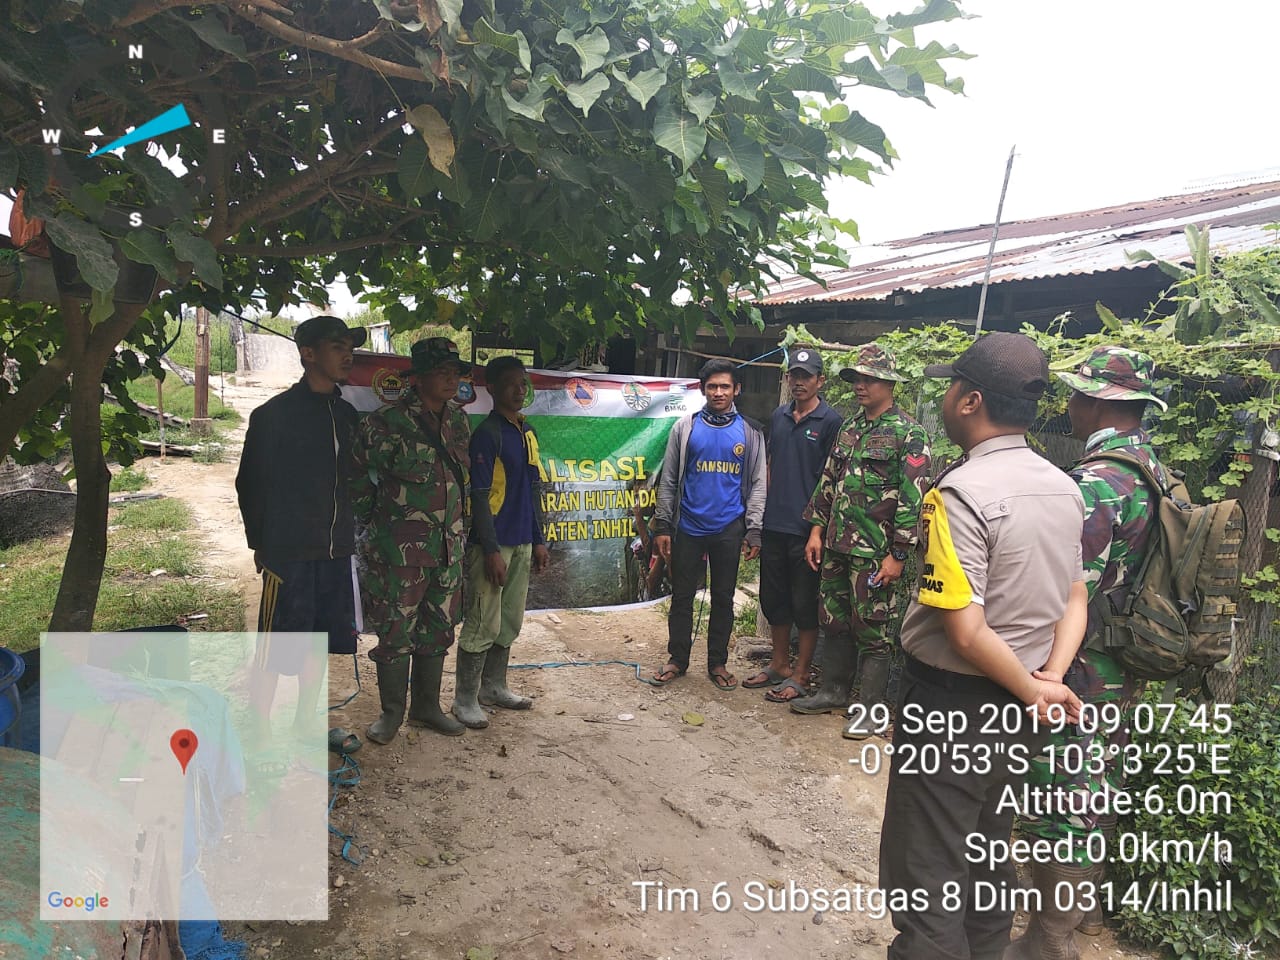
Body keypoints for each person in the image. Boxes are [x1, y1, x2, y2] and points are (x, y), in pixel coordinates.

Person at [878, 332, 1087, 960]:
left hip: (953, 712)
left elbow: (965, 632)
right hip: (1016, 716)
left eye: (949, 387)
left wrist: (1033, 689)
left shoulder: (959, 495)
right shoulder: (1064, 487)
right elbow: (1075, 598)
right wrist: (1046, 681)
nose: (942, 398)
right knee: (987, 861)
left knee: (927, 879)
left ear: (969, 401)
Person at [1007, 346, 1171, 959]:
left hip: (1081, 662)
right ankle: (1085, 915)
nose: (1069, 407)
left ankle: (1050, 941)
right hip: (1120, 656)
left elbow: (1070, 586)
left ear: (1099, 402)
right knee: (1096, 783)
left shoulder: (1099, 481)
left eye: (1077, 395)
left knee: (1063, 797)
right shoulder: (1153, 467)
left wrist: (1046, 673)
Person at [789, 344, 931, 736]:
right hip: (836, 545)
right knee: (833, 619)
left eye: (869, 379)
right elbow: (828, 482)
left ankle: (869, 709)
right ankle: (833, 691)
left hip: (875, 553)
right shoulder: (851, 428)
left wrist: (898, 555)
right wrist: (816, 530)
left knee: (874, 627)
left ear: (890, 383)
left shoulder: (910, 434)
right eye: (856, 378)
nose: (860, 386)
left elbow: (912, 498)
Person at [235, 315, 364, 742]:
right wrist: (262, 544)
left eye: (350, 346)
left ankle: (305, 724)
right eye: (336, 346)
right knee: (277, 646)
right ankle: (258, 728)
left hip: (334, 551)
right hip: (287, 552)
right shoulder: (273, 416)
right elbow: (250, 484)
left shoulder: (346, 415)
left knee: (320, 641)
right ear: (308, 353)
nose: (347, 355)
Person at [351, 337, 472, 743]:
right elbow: (356, 475)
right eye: (442, 373)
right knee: (396, 630)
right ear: (418, 379)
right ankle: (390, 714)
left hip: (447, 547)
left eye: (455, 373)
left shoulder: (458, 421)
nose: (451, 380)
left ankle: (426, 707)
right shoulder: (386, 423)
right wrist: (374, 524)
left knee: (438, 627)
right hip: (399, 549)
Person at [650, 358, 767, 691]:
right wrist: (662, 525)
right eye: (712, 386)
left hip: (729, 527)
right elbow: (669, 479)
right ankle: (677, 659)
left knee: (724, 598)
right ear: (703, 390)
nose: (719, 392)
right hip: (688, 525)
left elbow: (759, 482)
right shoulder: (685, 428)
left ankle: (718, 663)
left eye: (725, 386)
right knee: (683, 596)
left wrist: (754, 527)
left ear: (737, 390)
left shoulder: (750, 432)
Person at [452, 356, 551, 729]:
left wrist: (538, 540)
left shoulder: (528, 433)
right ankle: (464, 700)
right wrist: (491, 550)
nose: (519, 389)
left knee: (509, 620)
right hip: (492, 545)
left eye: (523, 383)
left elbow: (532, 491)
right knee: (482, 621)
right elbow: (478, 496)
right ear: (490, 388)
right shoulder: (487, 434)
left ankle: (494, 687)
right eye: (510, 383)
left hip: (523, 540)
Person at [744, 345, 841, 702]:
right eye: (794, 376)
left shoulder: (831, 422)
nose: (799, 383)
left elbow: (829, 479)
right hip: (774, 524)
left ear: (820, 381)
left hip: (807, 530)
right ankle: (779, 664)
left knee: (804, 603)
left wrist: (817, 529)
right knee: (774, 600)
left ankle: (801, 673)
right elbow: (768, 467)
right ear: (787, 379)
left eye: (806, 377)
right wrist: (757, 520)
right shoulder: (780, 416)